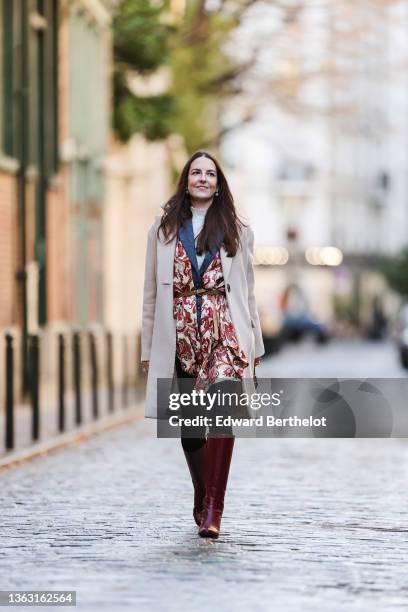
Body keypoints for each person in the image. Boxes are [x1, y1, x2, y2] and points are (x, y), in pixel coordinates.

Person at [141, 151, 264, 538]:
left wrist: (254, 345)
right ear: (186, 179)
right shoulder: (161, 230)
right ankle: (200, 490)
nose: (203, 179)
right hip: (178, 333)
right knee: (192, 426)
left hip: (224, 330)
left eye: (210, 174)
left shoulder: (237, 231)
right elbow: (149, 294)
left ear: (219, 182)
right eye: (196, 172)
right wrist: (148, 349)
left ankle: (214, 507)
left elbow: (248, 293)